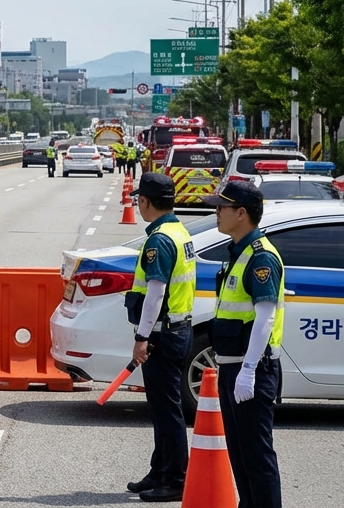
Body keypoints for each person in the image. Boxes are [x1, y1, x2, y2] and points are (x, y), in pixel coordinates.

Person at [202, 181, 284, 508]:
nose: (216, 212)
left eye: (221, 207)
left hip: (252, 368)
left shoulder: (260, 257)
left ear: (241, 213)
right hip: (232, 366)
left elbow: (265, 317)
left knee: (256, 454)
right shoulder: (237, 253)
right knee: (240, 453)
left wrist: (248, 370)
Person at [124, 173, 196, 503]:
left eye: (139, 200)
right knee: (162, 408)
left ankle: (175, 479)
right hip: (177, 328)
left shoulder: (159, 240)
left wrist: (142, 337)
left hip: (162, 333)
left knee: (166, 411)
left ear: (145, 201)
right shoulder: (179, 231)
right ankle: (160, 470)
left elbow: (155, 293)